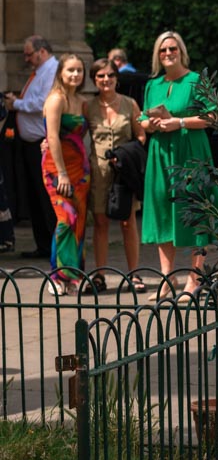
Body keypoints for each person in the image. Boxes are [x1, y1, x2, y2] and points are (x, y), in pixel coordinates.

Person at [139, 31, 218, 298]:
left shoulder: (197, 80)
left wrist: (180, 122)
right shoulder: (153, 85)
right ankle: (166, 279)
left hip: (190, 150)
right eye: (162, 50)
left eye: (172, 49)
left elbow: (213, 116)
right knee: (163, 209)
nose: (168, 54)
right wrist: (149, 124)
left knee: (196, 208)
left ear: (181, 51)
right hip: (161, 152)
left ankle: (194, 277)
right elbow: (140, 119)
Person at [84, 58, 148, 293]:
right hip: (98, 171)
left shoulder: (130, 104)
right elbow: (72, 131)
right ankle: (99, 275)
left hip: (123, 171)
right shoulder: (87, 106)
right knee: (100, 223)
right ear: (94, 80)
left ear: (116, 78)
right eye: (100, 76)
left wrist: (125, 153)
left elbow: (141, 135)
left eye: (110, 75)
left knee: (127, 221)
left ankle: (134, 274)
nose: (106, 80)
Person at [5, 35, 59, 258]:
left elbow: (43, 102)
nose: (26, 58)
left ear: (42, 51)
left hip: (41, 143)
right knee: (34, 197)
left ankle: (52, 246)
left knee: (45, 197)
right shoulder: (40, 71)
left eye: (29, 54)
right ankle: (43, 244)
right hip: (28, 143)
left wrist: (15, 103)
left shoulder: (52, 70)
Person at [41, 54, 91, 294]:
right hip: (56, 169)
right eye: (70, 70)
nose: (75, 75)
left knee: (79, 222)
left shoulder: (81, 100)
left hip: (80, 169)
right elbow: (51, 137)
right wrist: (61, 174)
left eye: (79, 71)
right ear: (61, 72)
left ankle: (72, 276)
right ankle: (56, 274)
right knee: (65, 218)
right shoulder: (55, 99)